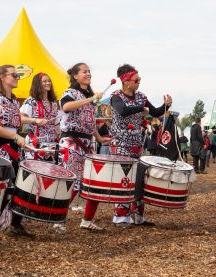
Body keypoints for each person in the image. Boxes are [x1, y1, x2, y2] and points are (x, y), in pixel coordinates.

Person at [110, 64, 172, 226]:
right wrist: (141, 108)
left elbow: (156, 112)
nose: (138, 82)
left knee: (139, 179)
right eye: (136, 79)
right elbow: (122, 110)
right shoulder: (116, 96)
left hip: (137, 143)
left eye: (139, 79)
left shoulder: (141, 97)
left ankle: (138, 216)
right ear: (125, 81)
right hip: (121, 144)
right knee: (123, 179)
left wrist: (166, 105)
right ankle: (121, 217)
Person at [0, 65, 37, 239]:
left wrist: (23, 136)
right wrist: (16, 137)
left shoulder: (13, 100)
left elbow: (16, 123)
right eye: (14, 74)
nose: (17, 77)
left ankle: (15, 224)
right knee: (4, 186)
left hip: (12, 144)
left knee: (22, 185)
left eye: (18, 75)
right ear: (3, 77)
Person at [58, 63, 110, 231]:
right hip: (71, 142)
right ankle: (58, 220)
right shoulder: (70, 93)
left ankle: (87, 220)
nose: (88, 74)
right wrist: (91, 99)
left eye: (89, 71)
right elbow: (66, 107)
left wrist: (100, 138)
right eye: (84, 71)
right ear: (75, 76)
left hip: (88, 143)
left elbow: (90, 122)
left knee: (95, 183)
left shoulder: (88, 97)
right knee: (72, 183)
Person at [20, 72, 58, 161]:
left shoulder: (53, 102)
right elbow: (20, 118)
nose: (48, 83)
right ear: (38, 84)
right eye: (44, 81)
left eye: (49, 81)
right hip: (35, 145)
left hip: (51, 146)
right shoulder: (31, 100)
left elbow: (56, 125)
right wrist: (35, 120)